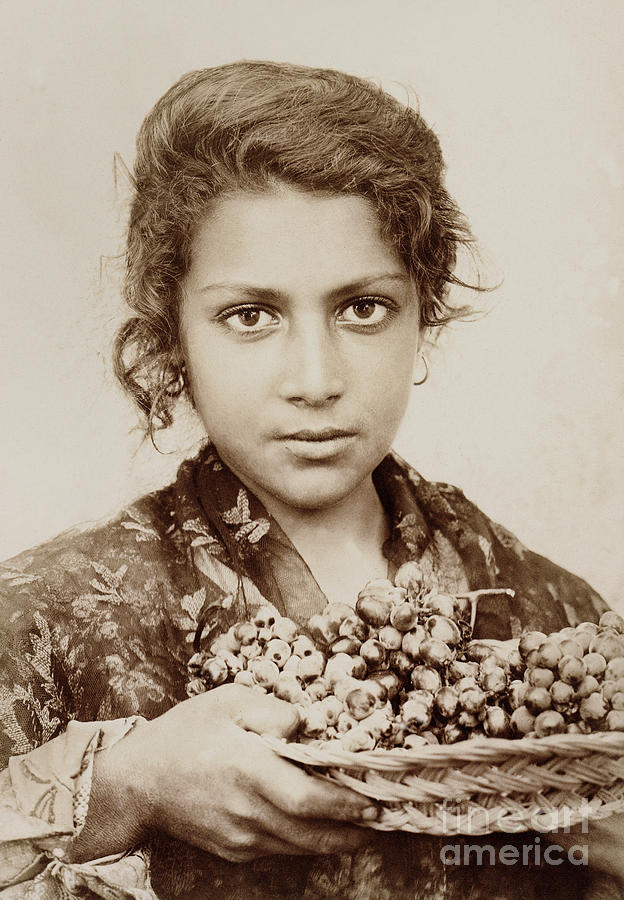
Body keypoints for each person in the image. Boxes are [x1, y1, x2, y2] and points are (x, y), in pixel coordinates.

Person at [0, 60, 621, 899]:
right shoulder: (44, 619)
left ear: (421, 312)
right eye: (250, 315)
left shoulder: (561, 620)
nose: (316, 377)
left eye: (362, 307)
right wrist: (120, 791)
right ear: (172, 332)